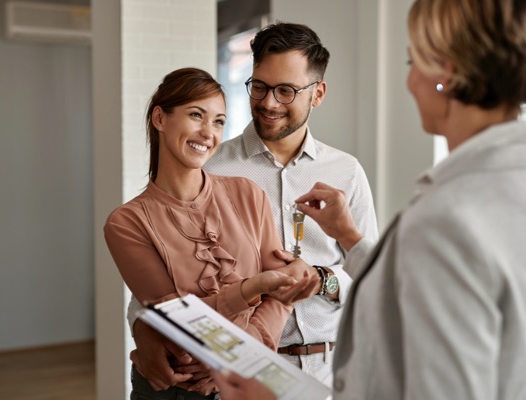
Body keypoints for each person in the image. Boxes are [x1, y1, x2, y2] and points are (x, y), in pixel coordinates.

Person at [212, 0, 526, 399]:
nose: (409, 82)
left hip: (320, 370)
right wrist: (349, 237)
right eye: (260, 86)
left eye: (413, 63)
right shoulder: (501, 187)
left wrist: (322, 279)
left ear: (445, 72)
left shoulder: (445, 214)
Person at [127, 22, 379, 388]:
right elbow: (155, 276)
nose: (268, 103)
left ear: (318, 93)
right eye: (259, 87)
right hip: (231, 370)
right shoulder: (210, 166)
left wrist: (321, 279)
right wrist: (141, 327)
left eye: (286, 91)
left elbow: (369, 278)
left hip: (330, 370)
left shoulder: (347, 172)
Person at [104, 67, 317, 400]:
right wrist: (252, 288)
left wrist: (244, 358)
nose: (208, 132)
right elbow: (178, 326)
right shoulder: (127, 223)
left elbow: (282, 292)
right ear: (160, 118)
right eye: (195, 115)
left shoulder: (248, 194)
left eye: (218, 121)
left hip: (251, 379)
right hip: (178, 390)